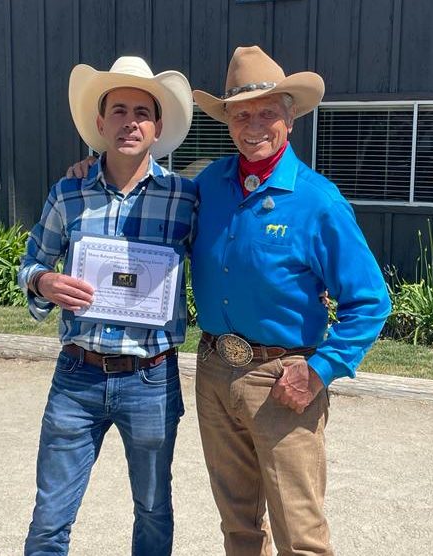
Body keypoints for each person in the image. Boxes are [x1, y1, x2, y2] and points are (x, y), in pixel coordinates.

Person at [67, 46, 391, 556]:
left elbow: (370, 301)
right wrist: (97, 166)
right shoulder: (209, 185)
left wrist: (322, 369)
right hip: (216, 370)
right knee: (238, 526)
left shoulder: (317, 200)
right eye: (242, 114)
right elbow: (145, 194)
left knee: (300, 534)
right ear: (228, 121)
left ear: (289, 115)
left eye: (267, 112)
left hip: (284, 378)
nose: (254, 125)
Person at [18, 55, 196, 556]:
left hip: (151, 379)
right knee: (51, 518)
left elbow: (223, 256)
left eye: (142, 111)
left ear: (157, 127)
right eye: (118, 110)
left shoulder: (185, 197)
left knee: (153, 511)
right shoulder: (69, 193)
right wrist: (45, 282)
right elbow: (31, 262)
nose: (130, 121)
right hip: (77, 378)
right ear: (100, 123)